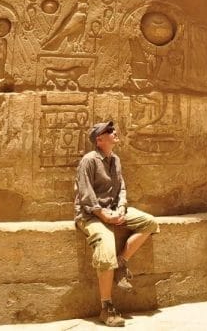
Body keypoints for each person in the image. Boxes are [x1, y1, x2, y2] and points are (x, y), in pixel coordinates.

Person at [75, 120, 159, 327]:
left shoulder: (116, 160)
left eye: (112, 130)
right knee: (105, 245)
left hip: (113, 211)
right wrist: (104, 216)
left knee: (149, 222)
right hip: (90, 215)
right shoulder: (89, 161)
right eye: (108, 131)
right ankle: (106, 307)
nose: (114, 132)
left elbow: (121, 188)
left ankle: (121, 263)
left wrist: (121, 208)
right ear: (99, 140)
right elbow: (86, 195)